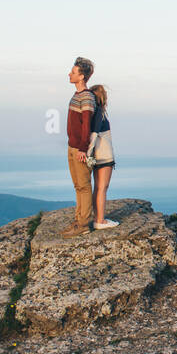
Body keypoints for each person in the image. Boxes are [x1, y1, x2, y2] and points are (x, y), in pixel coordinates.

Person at [63, 56, 96, 237]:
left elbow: (86, 125)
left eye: (73, 72)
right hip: (72, 146)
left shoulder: (87, 97)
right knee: (78, 185)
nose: (70, 74)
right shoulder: (77, 95)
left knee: (83, 185)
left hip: (79, 148)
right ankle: (78, 220)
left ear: (81, 76)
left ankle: (84, 224)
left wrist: (83, 148)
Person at [88, 84, 117, 229]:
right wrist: (88, 154)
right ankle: (100, 220)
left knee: (97, 187)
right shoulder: (100, 112)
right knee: (102, 188)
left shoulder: (93, 112)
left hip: (96, 156)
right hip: (104, 156)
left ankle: (97, 217)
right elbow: (94, 134)